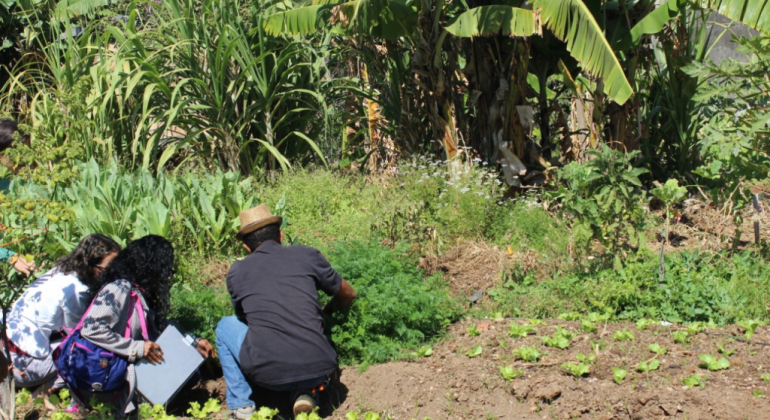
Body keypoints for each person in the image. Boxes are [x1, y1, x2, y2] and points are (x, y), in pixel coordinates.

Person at [216, 204, 357, 418]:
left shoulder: (237, 272)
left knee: (225, 326)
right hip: (320, 369)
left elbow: (243, 319)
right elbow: (348, 294)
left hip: (267, 375)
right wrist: (326, 312)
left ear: (246, 247)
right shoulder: (307, 255)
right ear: (281, 236)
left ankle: (242, 406)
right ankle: (306, 392)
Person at [77, 235, 215, 414]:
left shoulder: (138, 291)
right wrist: (137, 348)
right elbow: (90, 328)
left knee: (191, 374)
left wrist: (193, 341)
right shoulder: (119, 288)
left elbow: (160, 324)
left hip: (123, 368)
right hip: (104, 376)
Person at [4, 234, 121, 394]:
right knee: (84, 351)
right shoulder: (75, 291)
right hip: (20, 367)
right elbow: (86, 333)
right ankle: (43, 393)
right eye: (108, 269)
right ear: (91, 265)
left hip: (6, 351)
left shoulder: (59, 272)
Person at [0, 118, 35, 274]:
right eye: (15, 150)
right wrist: (11, 257)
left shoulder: (11, 184)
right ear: (1, 154)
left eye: (26, 149)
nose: (23, 157)